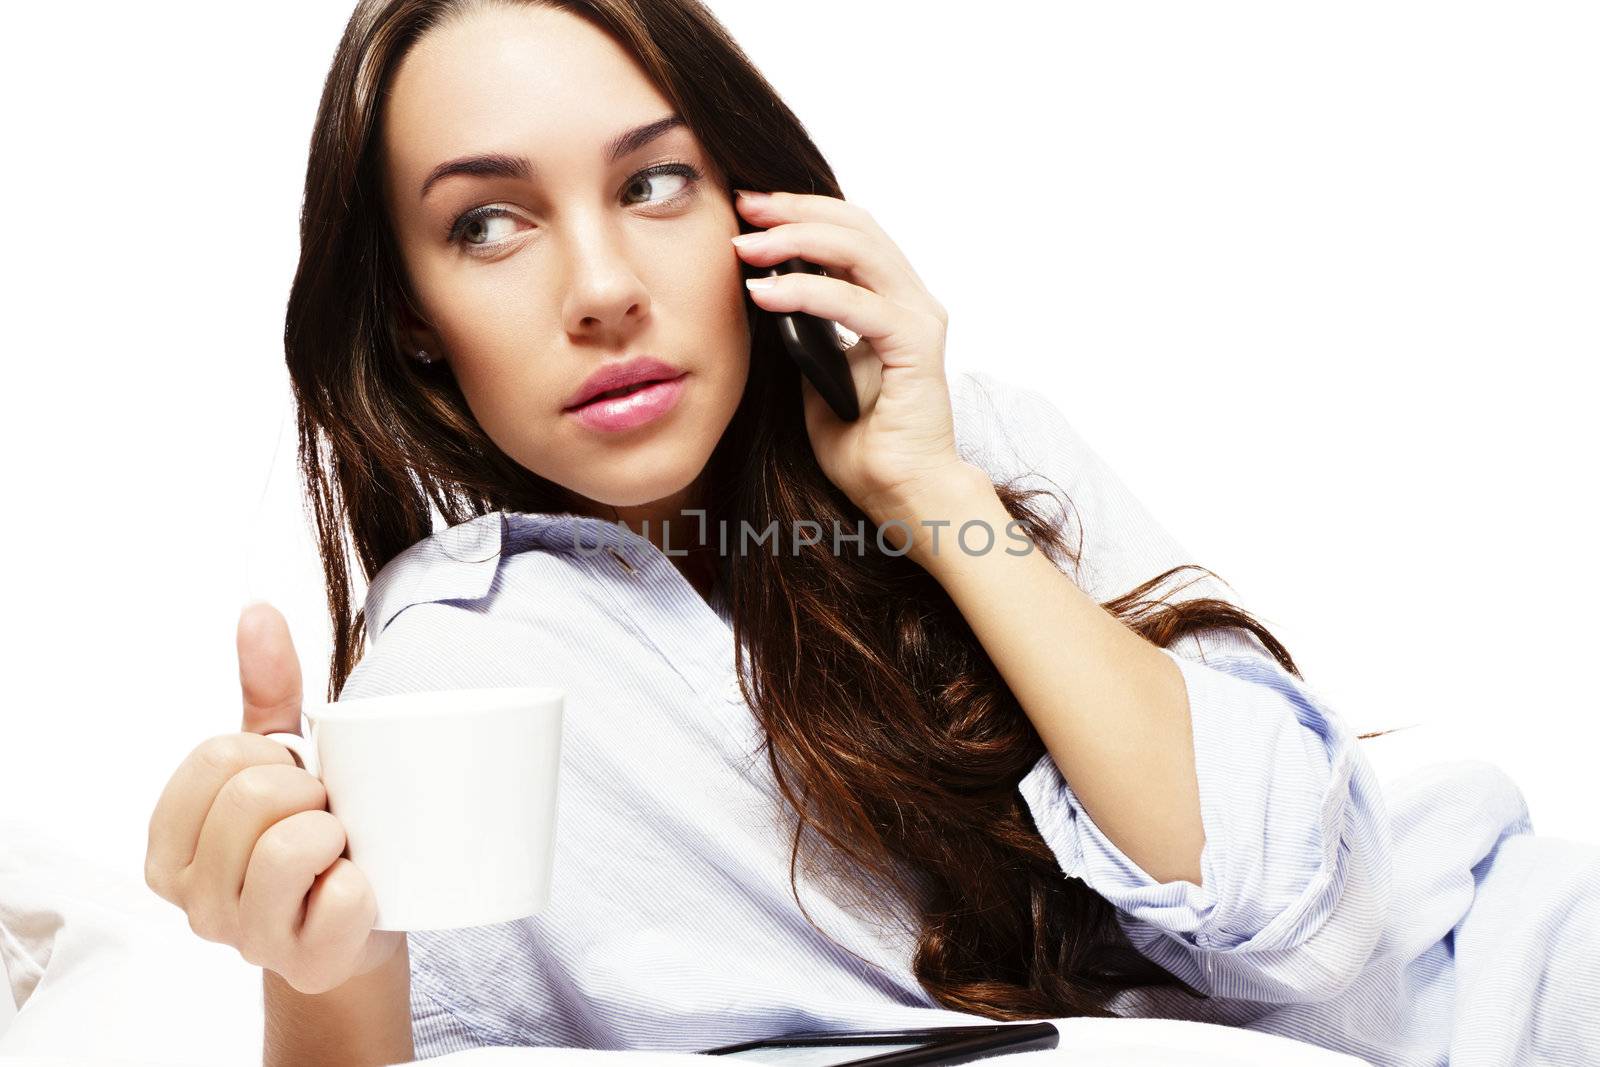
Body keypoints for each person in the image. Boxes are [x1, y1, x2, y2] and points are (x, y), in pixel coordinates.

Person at [143, 2, 1600, 1065]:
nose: (601, 285)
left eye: (655, 183)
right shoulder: (460, 685)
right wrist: (319, 978)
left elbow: (1312, 911)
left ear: (747, 211)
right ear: (407, 317)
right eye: (489, 225)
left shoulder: (959, 446)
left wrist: (927, 484)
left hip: (1517, 964)